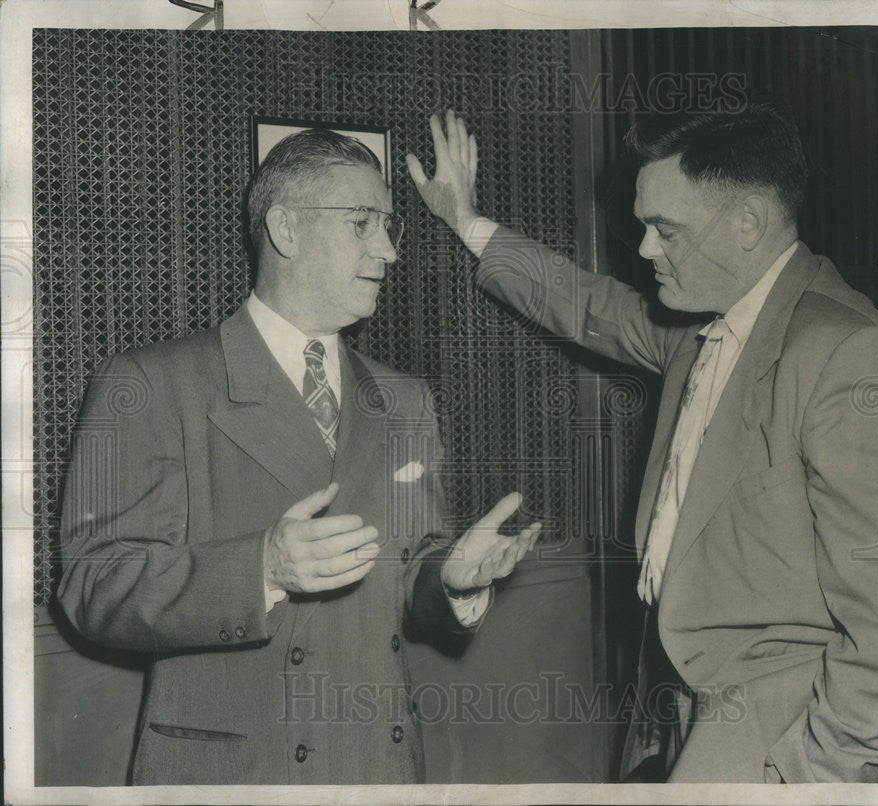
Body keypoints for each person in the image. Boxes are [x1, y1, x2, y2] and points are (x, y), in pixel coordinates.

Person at [406, 106, 878, 783]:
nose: (644, 249)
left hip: (789, 750)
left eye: (663, 230)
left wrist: (802, 778)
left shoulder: (850, 357)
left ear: (748, 224)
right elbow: (586, 306)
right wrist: (466, 220)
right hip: (678, 720)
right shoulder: (702, 327)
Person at [57, 128, 540, 785]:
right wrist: (261, 567)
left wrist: (450, 581)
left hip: (379, 767)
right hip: (236, 774)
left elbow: (407, 577)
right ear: (284, 228)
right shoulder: (150, 383)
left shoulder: (404, 399)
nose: (391, 252)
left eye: (389, 226)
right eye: (362, 224)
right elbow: (94, 586)